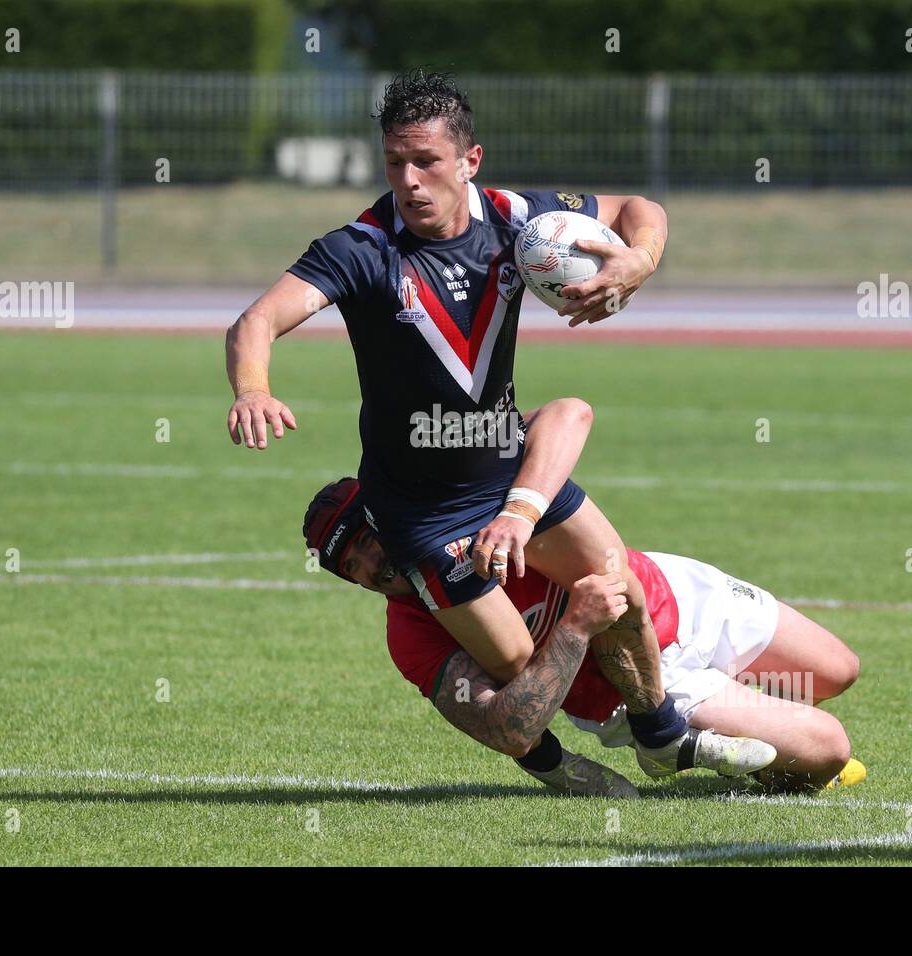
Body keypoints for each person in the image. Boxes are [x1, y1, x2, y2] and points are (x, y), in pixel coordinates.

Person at [226, 69, 695, 774]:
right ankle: (551, 757)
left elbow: (638, 206)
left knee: (616, 576)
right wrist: (253, 387)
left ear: (470, 161)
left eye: (426, 161)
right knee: (511, 660)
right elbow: (257, 319)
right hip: (420, 511)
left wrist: (638, 261)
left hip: (503, 464)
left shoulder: (514, 217)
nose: (409, 180)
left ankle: (660, 734)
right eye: (394, 163)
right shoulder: (361, 249)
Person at [303, 400, 865, 796]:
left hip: (673, 591)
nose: (369, 569)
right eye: (348, 567)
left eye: (366, 543)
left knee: (839, 670)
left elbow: (569, 412)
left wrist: (520, 507)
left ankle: (746, 716)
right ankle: (683, 736)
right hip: (630, 687)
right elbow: (506, 729)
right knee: (825, 748)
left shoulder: (471, 493)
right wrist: (573, 632)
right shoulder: (411, 630)